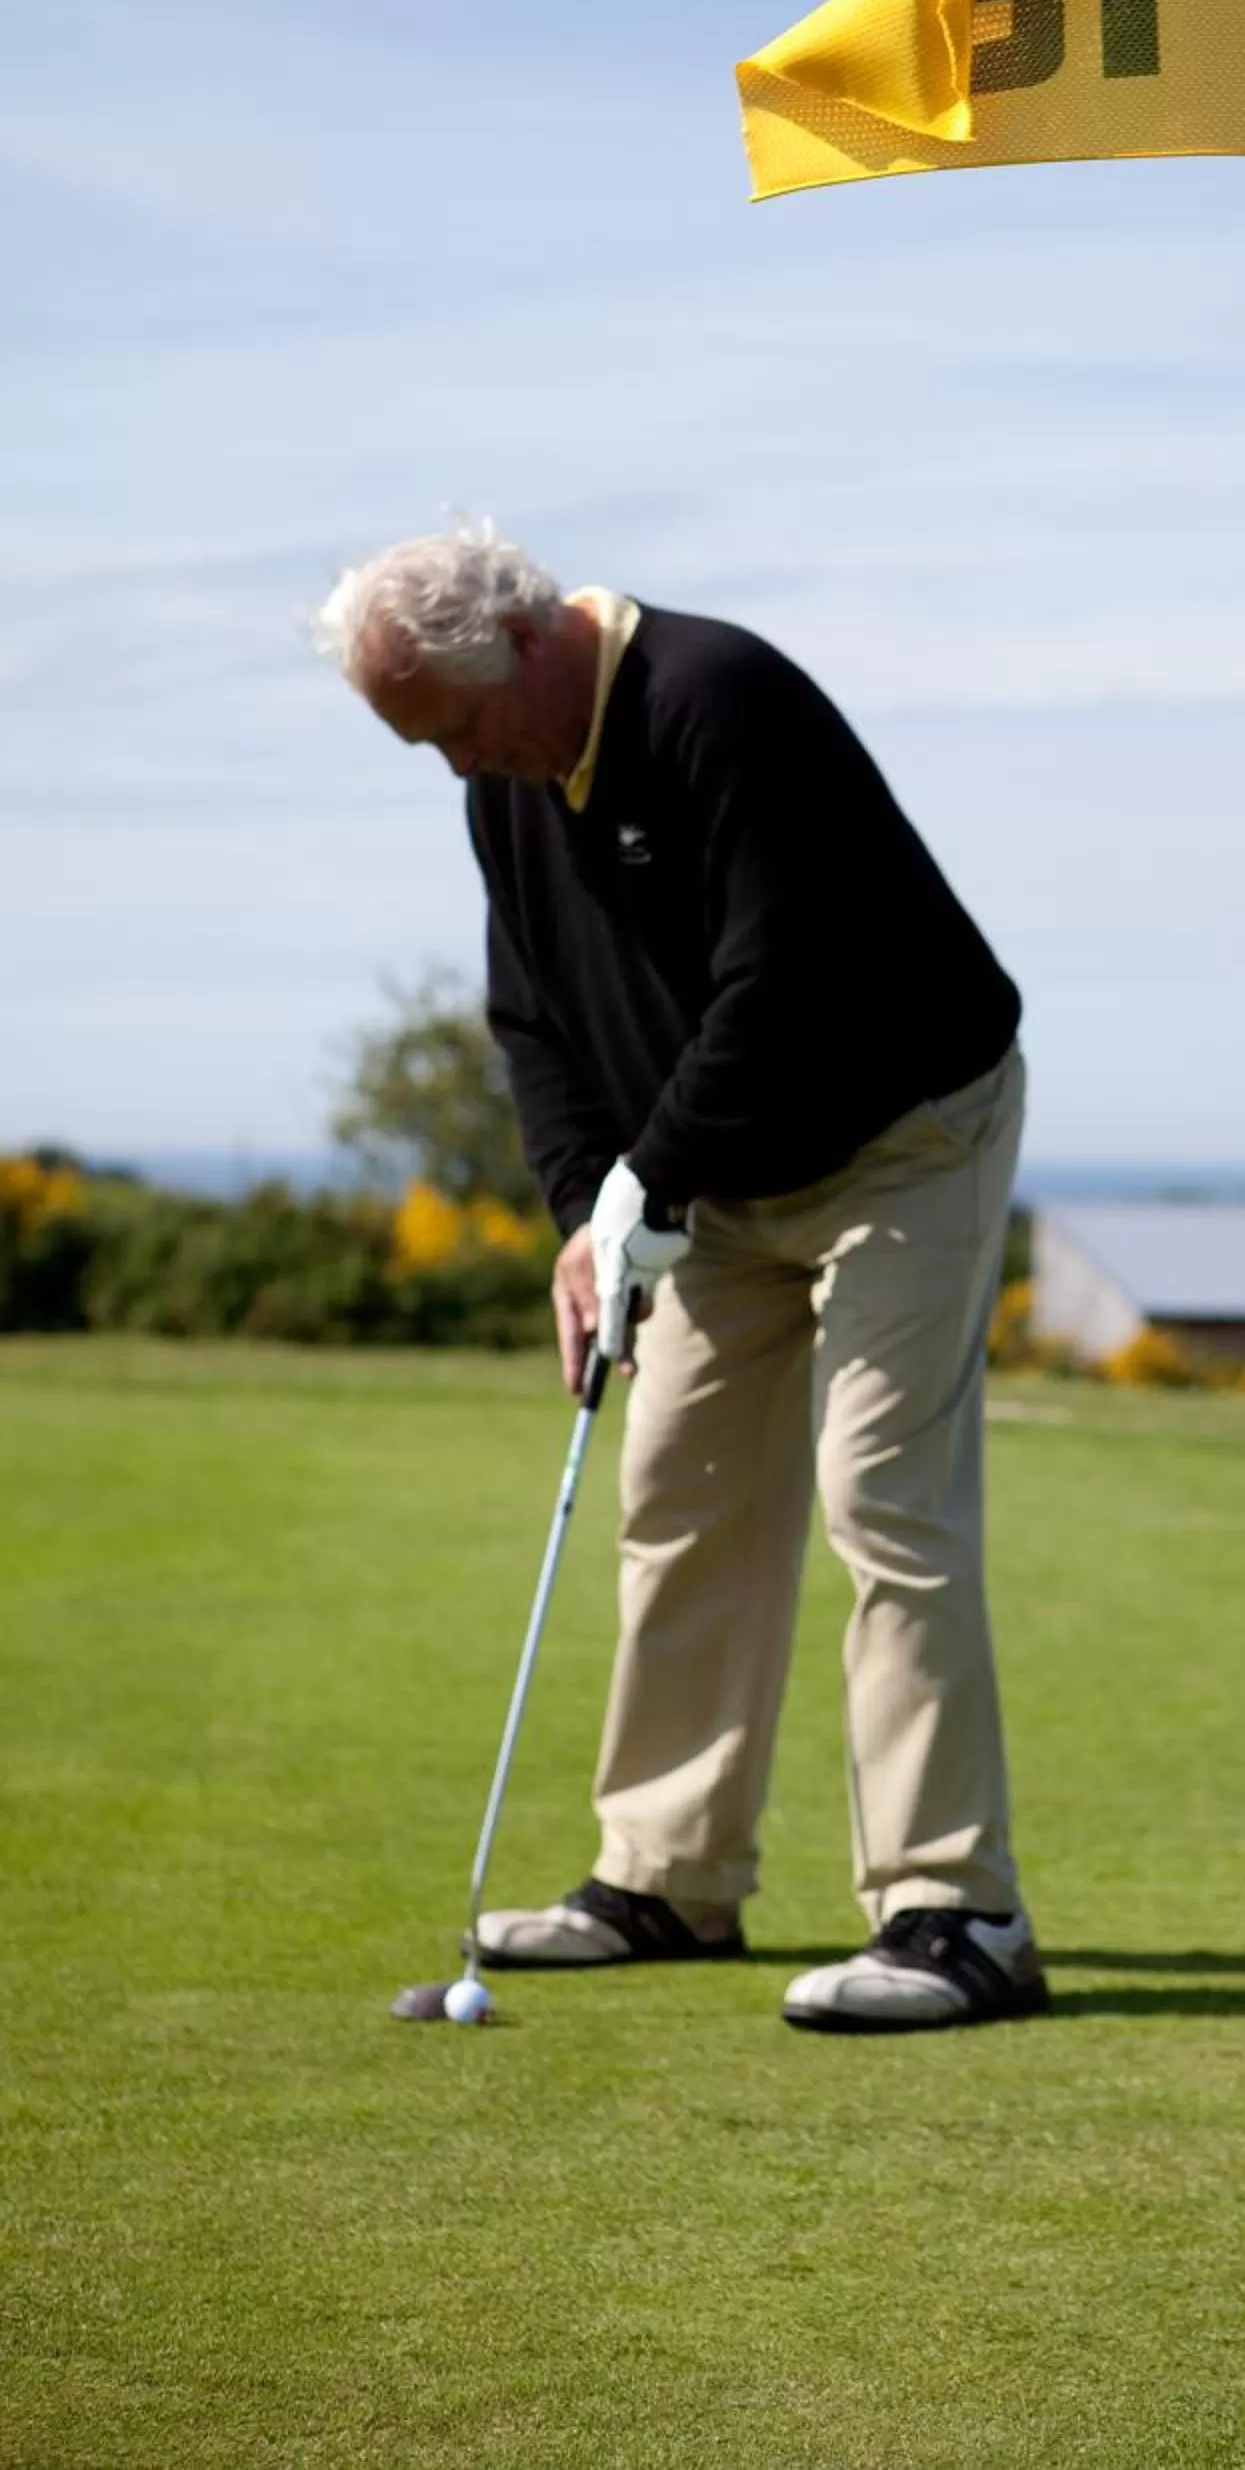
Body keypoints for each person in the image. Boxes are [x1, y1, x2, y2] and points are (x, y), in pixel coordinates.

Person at [313, 520, 1046, 2032]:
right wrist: (593, 1212)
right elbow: (534, 1019)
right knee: (678, 1492)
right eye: (422, 746)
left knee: (881, 1499)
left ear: (524, 640)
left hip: (902, 1134)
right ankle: (666, 1877)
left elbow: (776, 984)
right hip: (716, 1176)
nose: (456, 767)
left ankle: (955, 1914)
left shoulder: (720, 702)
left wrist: (655, 1175)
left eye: (453, 728)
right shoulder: (510, 788)